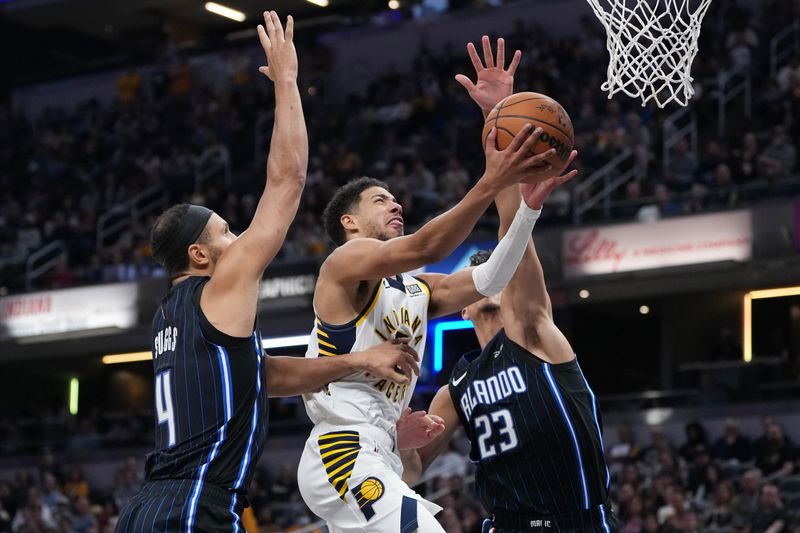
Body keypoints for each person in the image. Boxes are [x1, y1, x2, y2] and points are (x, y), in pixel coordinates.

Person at [115, 13, 419, 532]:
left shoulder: (171, 317)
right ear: (200, 257)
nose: (241, 243)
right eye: (228, 233)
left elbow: (264, 375)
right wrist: (286, 82)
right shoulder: (221, 286)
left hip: (149, 507)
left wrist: (357, 359)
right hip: (193, 506)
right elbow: (287, 181)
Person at [296, 37, 568, 533]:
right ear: (350, 224)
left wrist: (527, 207)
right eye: (380, 200)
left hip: (383, 452)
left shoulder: (420, 290)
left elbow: (494, 277)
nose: (395, 204)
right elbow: (424, 246)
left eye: (395, 198)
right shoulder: (345, 263)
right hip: (343, 449)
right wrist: (488, 181)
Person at [400, 37, 616, 532]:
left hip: (574, 522)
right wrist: (392, 439)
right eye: (483, 286)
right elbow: (411, 471)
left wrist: (498, 118)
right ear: (466, 304)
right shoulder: (457, 387)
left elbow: (511, 230)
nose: (497, 288)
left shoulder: (533, 334)